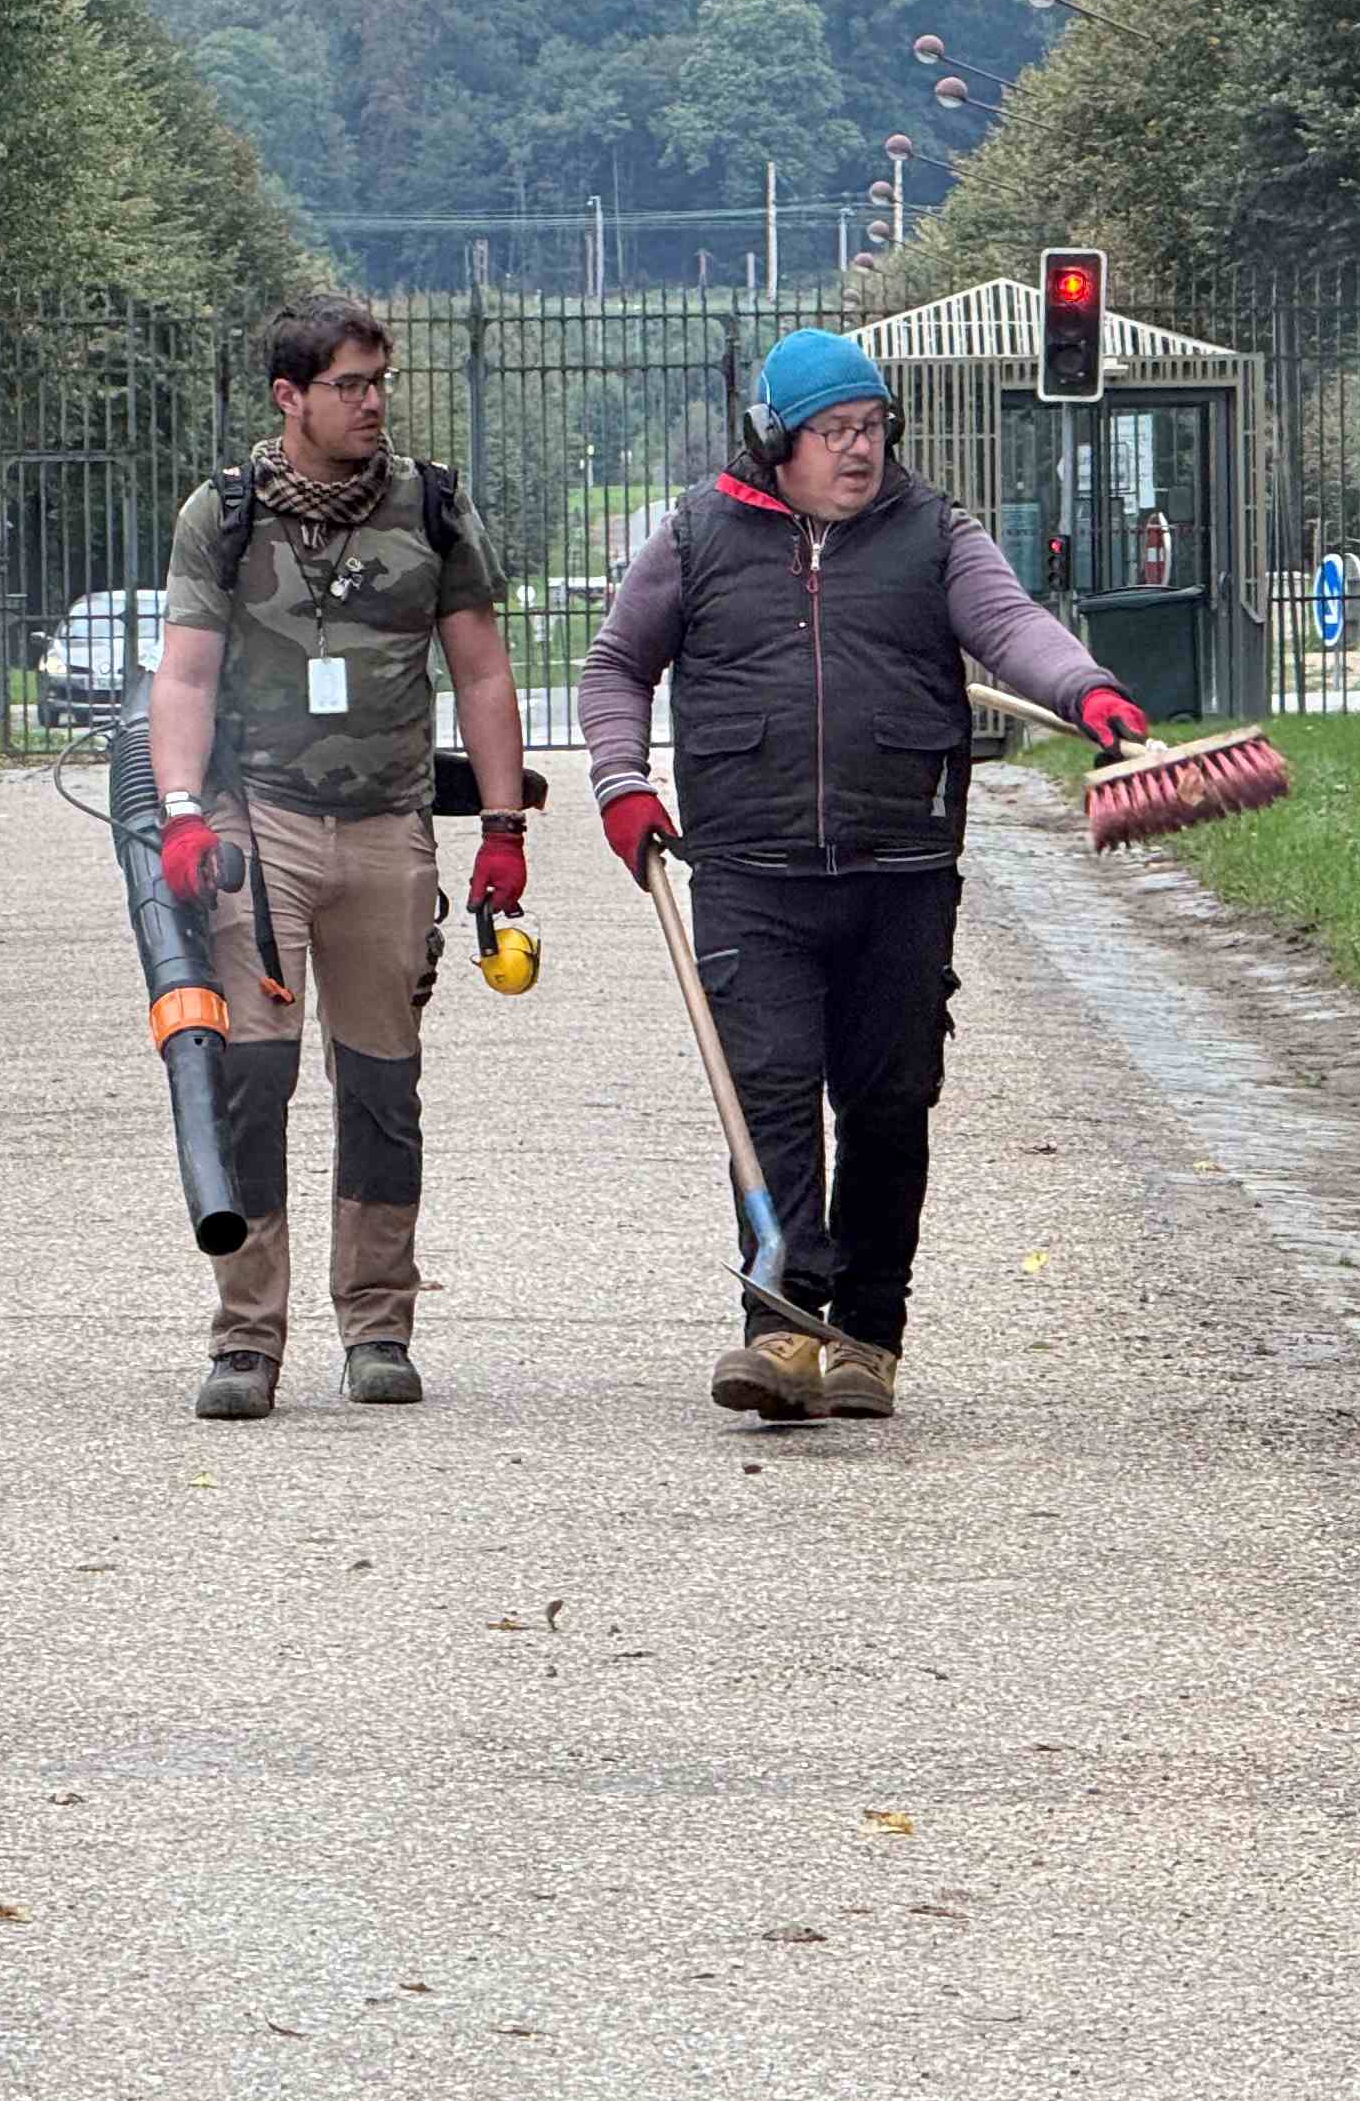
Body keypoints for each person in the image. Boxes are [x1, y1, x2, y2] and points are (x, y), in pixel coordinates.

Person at [575, 327, 1133, 1425]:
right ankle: (782, 1326)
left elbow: (1011, 626)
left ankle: (869, 1338)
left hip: (902, 867)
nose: (861, 450)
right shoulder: (693, 536)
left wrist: (1087, 690)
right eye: (834, 431)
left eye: (873, 428)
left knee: (887, 1104)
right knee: (772, 1092)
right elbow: (616, 666)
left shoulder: (935, 533)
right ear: (774, 440)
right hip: (749, 870)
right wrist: (620, 781)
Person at [143, 293, 526, 1422]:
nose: (372, 404)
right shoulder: (223, 515)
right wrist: (182, 813)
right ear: (289, 397)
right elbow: (186, 675)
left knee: (383, 1088)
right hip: (259, 831)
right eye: (349, 386)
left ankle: (378, 1325)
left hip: (388, 830)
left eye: (380, 383)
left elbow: (483, 672)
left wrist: (502, 828)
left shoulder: (433, 508)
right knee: (251, 1083)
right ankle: (246, 1337)